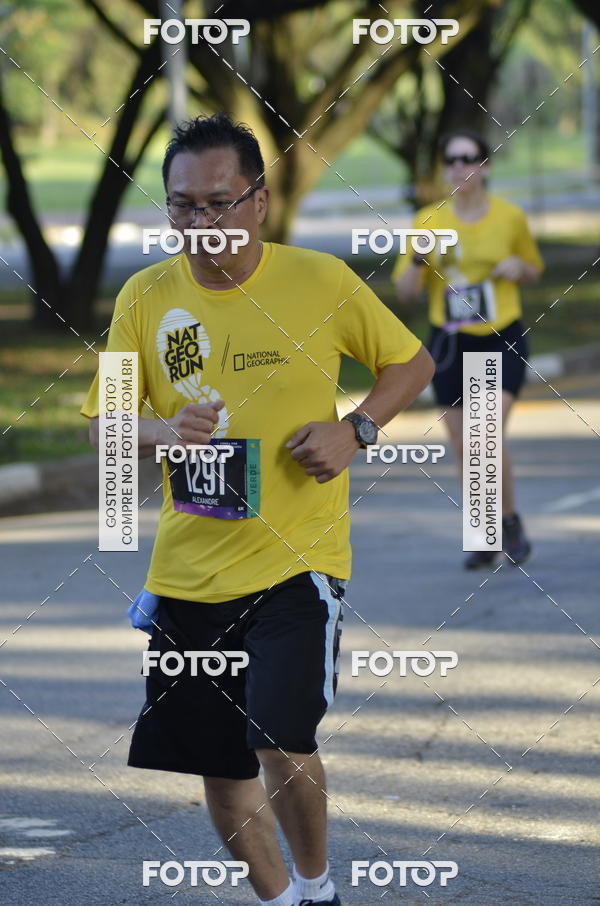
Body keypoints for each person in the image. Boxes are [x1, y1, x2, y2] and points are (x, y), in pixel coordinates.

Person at [82, 113, 434, 906]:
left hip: (296, 565)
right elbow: (108, 421)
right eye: (181, 208)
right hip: (189, 572)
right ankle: (282, 903)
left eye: (217, 204)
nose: (200, 225)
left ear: (259, 202)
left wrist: (357, 430)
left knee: (280, 735)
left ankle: (319, 887)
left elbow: (412, 360)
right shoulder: (145, 296)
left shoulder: (319, 282)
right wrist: (165, 429)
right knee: (225, 769)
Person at [393, 129, 544, 569]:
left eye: (470, 158)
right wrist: (419, 259)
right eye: (452, 159)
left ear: (486, 166)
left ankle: (508, 521)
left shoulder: (509, 218)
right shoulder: (427, 220)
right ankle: (486, 532)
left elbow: (534, 269)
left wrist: (518, 266)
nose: (460, 168)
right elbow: (404, 290)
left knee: (486, 435)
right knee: (465, 445)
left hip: (501, 337)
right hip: (450, 342)